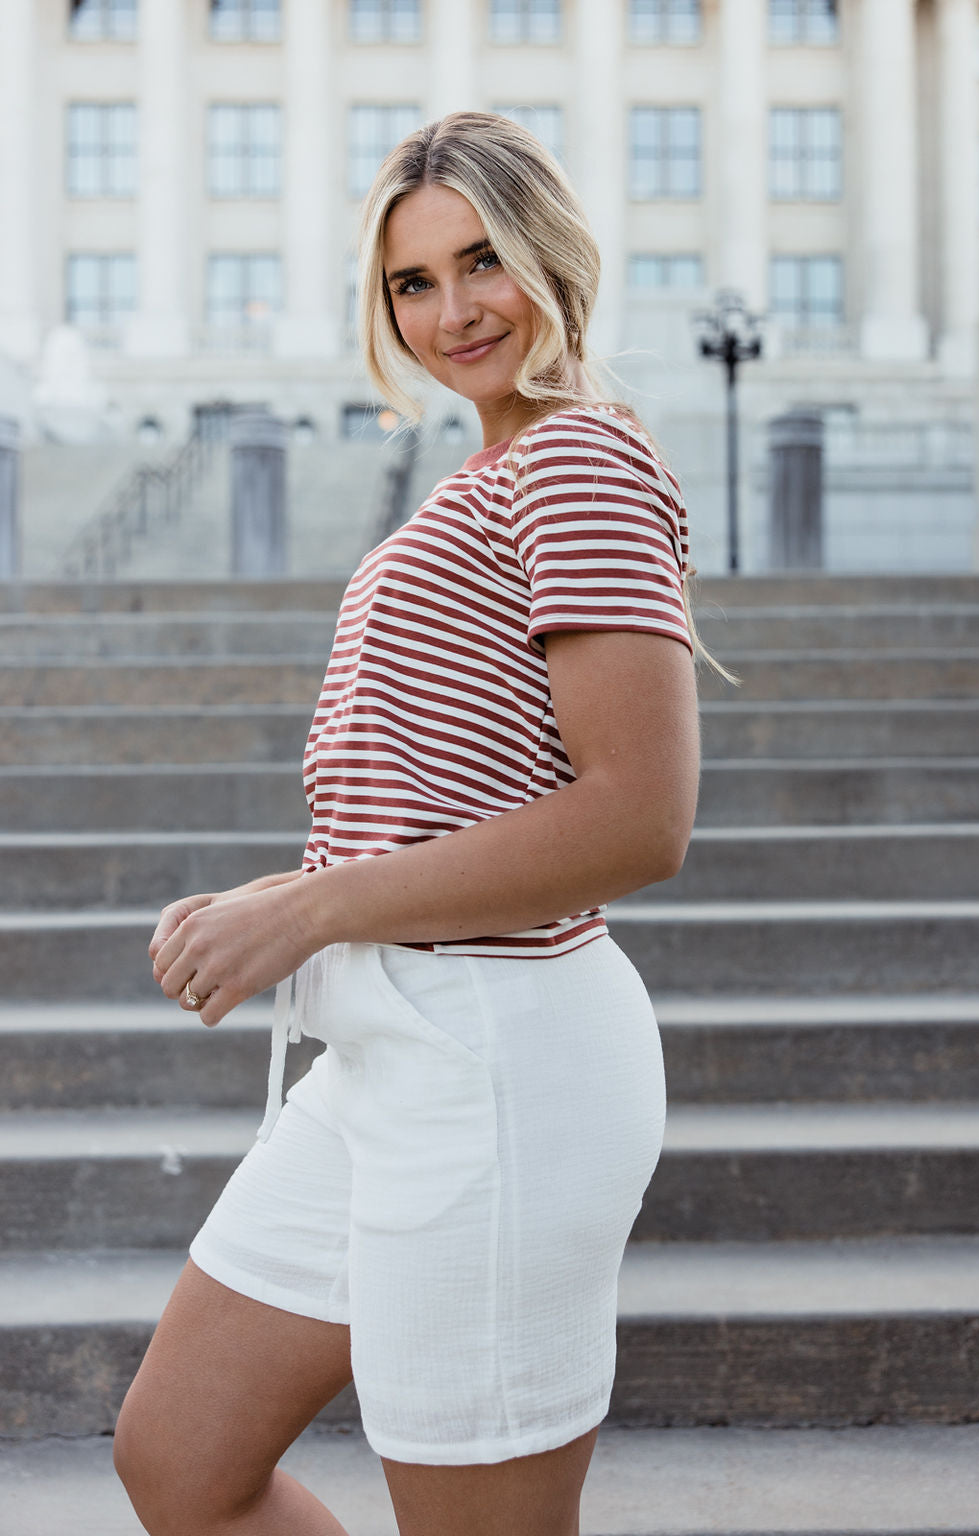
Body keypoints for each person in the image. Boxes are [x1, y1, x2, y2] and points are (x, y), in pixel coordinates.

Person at [113, 110, 711, 1536]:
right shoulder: (490, 475)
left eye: (483, 261)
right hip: (391, 1051)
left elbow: (640, 818)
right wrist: (286, 892)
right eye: (412, 282)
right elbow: (466, 785)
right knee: (180, 1462)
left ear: (554, 257)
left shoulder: (577, 462)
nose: (454, 311)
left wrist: (306, 913)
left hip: (502, 1065)